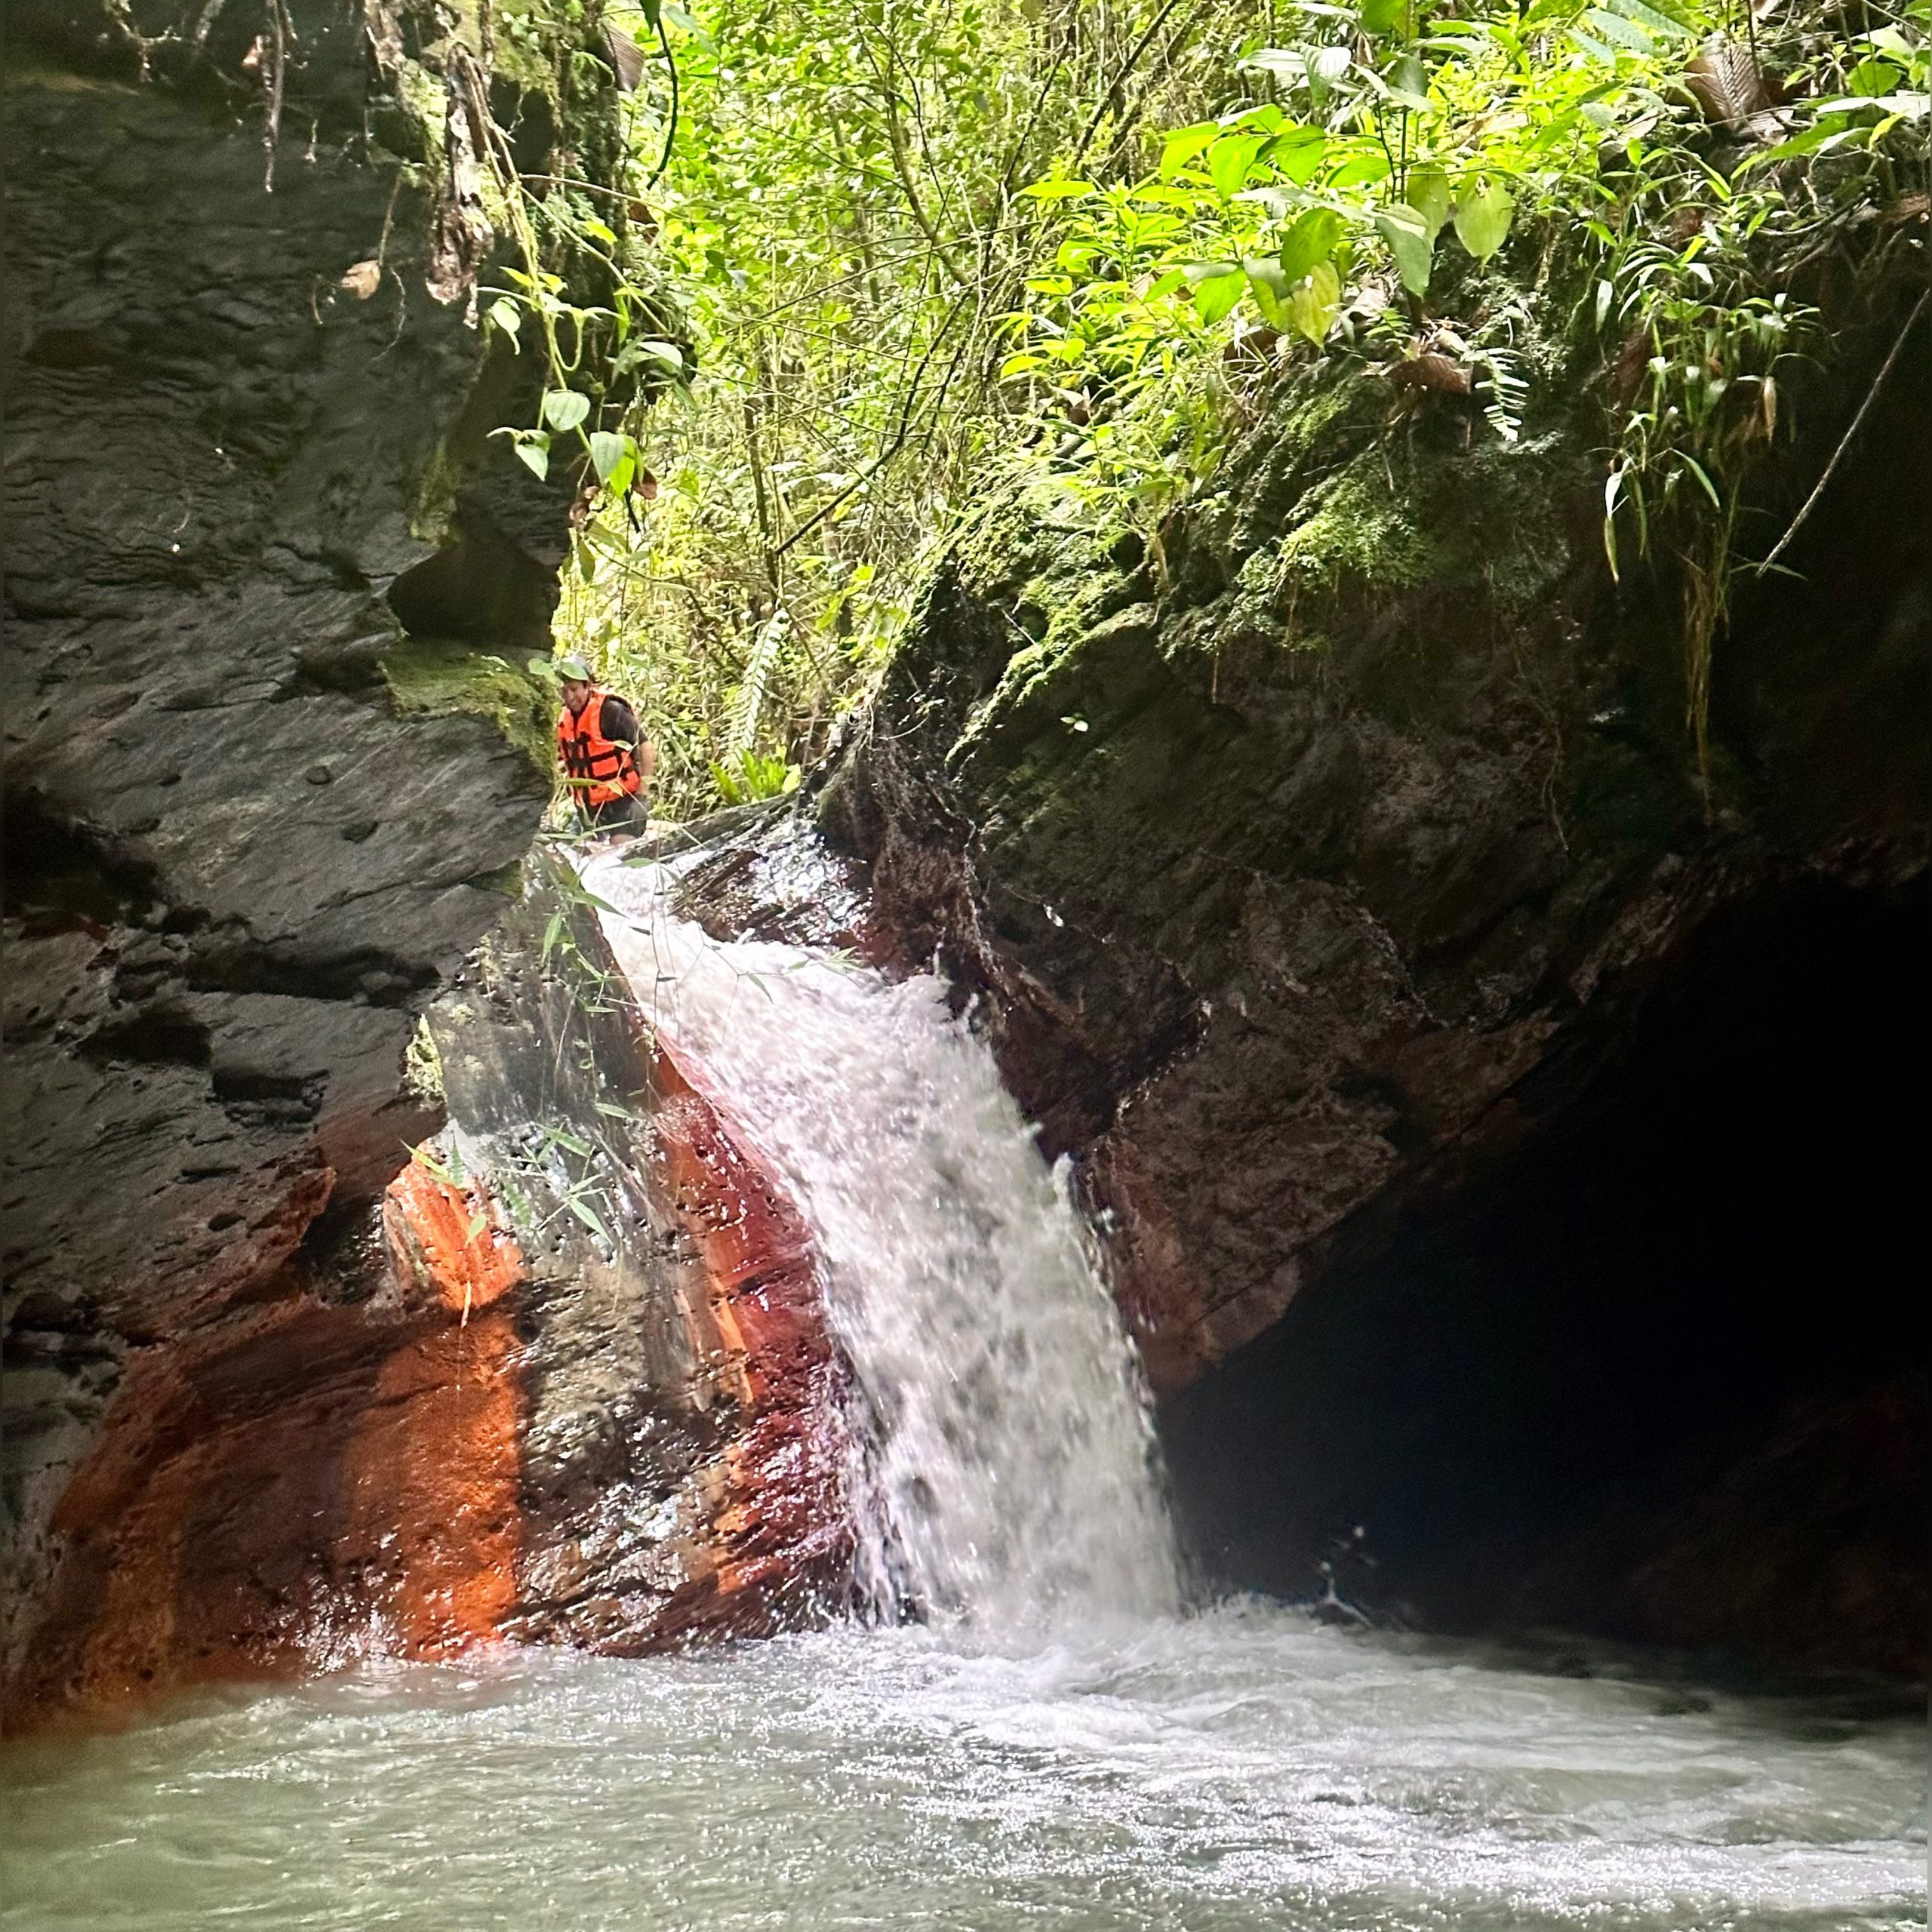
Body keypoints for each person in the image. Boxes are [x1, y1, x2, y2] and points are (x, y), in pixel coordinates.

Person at [554, 656, 655, 834]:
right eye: (564, 691)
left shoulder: (610, 711)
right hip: (587, 808)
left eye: (574, 689)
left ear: (588, 685)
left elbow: (646, 747)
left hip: (624, 801)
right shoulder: (563, 720)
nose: (569, 697)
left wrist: (642, 797)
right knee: (575, 856)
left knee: (618, 857)